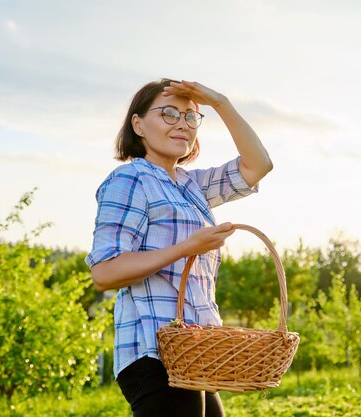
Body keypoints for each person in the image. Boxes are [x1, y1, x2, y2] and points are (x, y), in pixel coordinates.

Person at [84, 78, 273, 417]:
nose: (182, 124)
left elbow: (258, 164)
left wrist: (220, 102)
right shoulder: (130, 179)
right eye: (168, 114)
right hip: (153, 348)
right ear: (138, 124)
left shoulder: (190, 185)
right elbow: (105, 272)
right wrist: (188, 247)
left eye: (190, 117)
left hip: (195, 349)